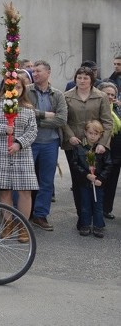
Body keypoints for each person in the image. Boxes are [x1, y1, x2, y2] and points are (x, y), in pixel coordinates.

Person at [0, 71, 38, 243]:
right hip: (0, 152)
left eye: (19, 87)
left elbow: (33, 131)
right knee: (4, 191)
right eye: (11, 87)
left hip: (22, 153)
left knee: (25, 191)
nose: (15, 90)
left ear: (23, 89)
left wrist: (19, 143)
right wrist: (2, 129)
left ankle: (23, 226)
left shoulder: (28, 109)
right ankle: (8, 224)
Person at [62, 66, 112, 223]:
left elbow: (107, 121)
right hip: (75, 144)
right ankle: (82, 216)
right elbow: (63, 119)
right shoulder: (66, 96)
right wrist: (70, 136)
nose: (81, 80)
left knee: (96, 179)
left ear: (92, 80)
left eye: (85, 78)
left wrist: (103, 143)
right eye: (79, 77)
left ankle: (96, 215)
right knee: (79, 180)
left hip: (95, 144)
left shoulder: (101, 96)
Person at [26, 60, 68, 231]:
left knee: (46, 181)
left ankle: (40, 215)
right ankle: (21, 213)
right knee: (25, 180)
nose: (34, 74)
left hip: (50, 143)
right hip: (29, 142)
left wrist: (37, 120)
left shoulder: (57, 94)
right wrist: (45, 115)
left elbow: (61, 119)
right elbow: (23, 112)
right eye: (33, 71)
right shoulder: (26, 91)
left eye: (38, 71)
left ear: (48, 73)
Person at [70, 120, 113, 238]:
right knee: (85, 203)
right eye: (90, 133)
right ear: (85, 132)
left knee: (98, 204)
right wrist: (86, 175)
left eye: (96, 134)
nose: (92, 136)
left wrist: (101, 179)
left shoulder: (103, 149)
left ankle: (98, 225)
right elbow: (75, 164)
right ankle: (85, 224)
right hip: (84, 182)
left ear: (100, 135)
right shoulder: (79, 148)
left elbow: (108, 165)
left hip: (98, 183)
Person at [96, 82, 120, 220]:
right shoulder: (97, 108)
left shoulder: (118, 108)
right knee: (100, 181)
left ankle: (107, 209)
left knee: (112, 183)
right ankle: (97, 209)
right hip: (101, 151)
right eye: (107, 93)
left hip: (117, 152)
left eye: (112, 94)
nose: (110, 97)